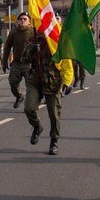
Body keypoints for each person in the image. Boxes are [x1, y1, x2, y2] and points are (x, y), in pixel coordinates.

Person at [22, 26, 63, 154]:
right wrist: (32, 50)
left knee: (54, 115)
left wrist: (67, 80)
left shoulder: (57, 38)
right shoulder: (34, 38)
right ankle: (37, 126)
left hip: (53, 82)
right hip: (36, 80)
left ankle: (54, 140)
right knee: (29, 108)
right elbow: (24, 59)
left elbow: (67, 60)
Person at [2, 12, 33, 109]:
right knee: (12, 82)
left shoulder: (33, 32)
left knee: (30, 86)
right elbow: (7, 47)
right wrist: (4, 62)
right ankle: (19, 96)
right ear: (18, 21)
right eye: (21, 19)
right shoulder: (13, 32)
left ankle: (29, 106)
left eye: (25, 19)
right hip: (16, 63)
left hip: (29, 64)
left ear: (29, 22)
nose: (23, 21)